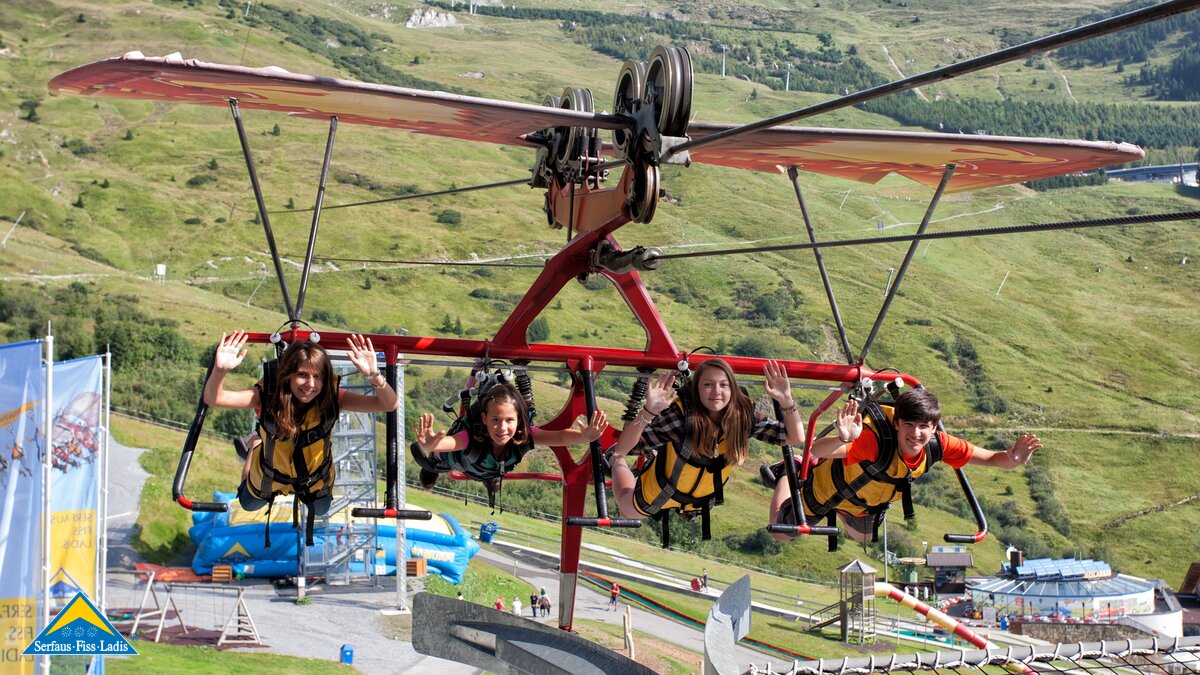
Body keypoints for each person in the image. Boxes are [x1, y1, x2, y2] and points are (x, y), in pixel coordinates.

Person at [768, 389, 1041, 543]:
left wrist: (1012, 459)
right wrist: (843, 437)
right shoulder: (873, 442)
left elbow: (992, 458)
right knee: (781, 535)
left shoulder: (939, 445)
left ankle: (843, 511)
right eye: (908, 425)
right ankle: (787, 472)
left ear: (934, 429)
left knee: (864, 538)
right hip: (825, 489)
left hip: (863, 504)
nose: (916, 433)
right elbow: (816, 448)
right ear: (897, 423)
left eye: (923, 426)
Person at [204, 331, 398, 542]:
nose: (310, 384)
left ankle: (257, 442)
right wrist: (220, 370)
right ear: (288, 376)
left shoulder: (332, 398)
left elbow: (388, 404)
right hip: (270, 471)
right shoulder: (268, 396)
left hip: (314, 476)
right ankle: (255, 444)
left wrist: (373, 375)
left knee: (321, 508)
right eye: (303, 375)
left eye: (317, 377)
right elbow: (215, 398)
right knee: (249, 503)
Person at [607, 359, 805, 521]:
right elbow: (624, 448)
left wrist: (786, 401)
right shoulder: (680, 418)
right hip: (656, 493)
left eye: (723, 385)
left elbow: (794, 437)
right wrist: (648, 411)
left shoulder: (743, 418)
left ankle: (654, 454)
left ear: (733, 390)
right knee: (627, 509)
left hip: (699, 501)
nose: (716, 391)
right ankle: (617, 465)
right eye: (708, 384)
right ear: (697, 390)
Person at [413, 384, 607, 488]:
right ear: (484, 418)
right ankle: (431, 468)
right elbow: (450, 443)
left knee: (492, 473)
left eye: (509, 420)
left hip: (489, 469)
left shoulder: (523, 436)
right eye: (495, 420)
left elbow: (559, 438)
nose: (502, 428)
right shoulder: (471, 438)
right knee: (437, 462)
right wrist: (432, 446)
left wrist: (585, 437)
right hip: (458, 461)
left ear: (518, 421)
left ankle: (491, 478)